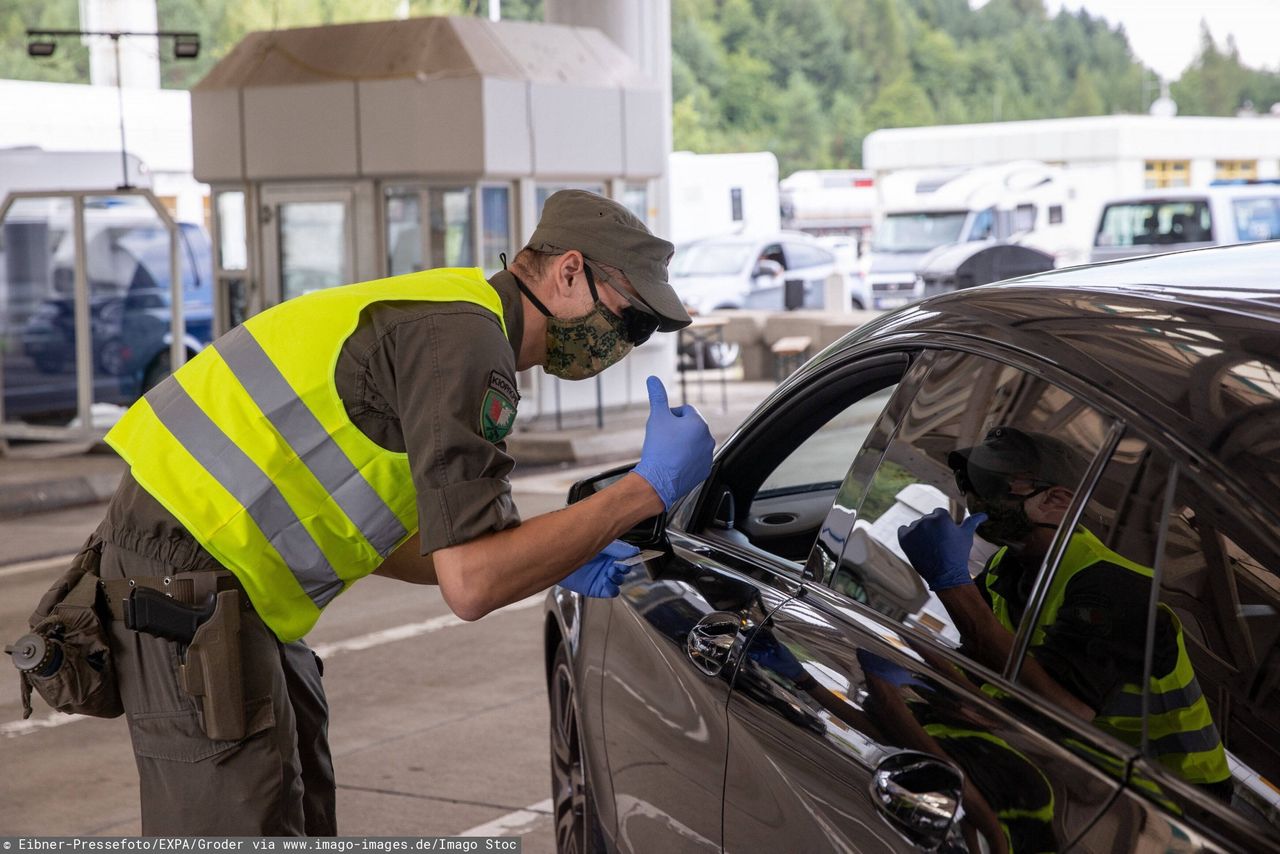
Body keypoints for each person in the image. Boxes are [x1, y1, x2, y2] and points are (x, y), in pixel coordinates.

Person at [33, 190, 716, 835]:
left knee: (294, 806)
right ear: (569, 273)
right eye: (632, 320)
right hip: (185, 576)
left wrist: (553, 554)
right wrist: (642, 491)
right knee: (239, 825)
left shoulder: (454, 314)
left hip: (226, 581)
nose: (629, 341)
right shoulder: (465, 344)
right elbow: (472, 583)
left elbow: (392, 540)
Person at [896, 426, 1230, 795]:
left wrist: (951, 584)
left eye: (990, 483)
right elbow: (979, 668)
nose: (972, 495)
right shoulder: (1005, 568)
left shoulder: (1116, 587)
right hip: (1084, 768)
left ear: (1057, 501)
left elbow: (1063, 709)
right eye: (967, 479)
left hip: (1176, 795)